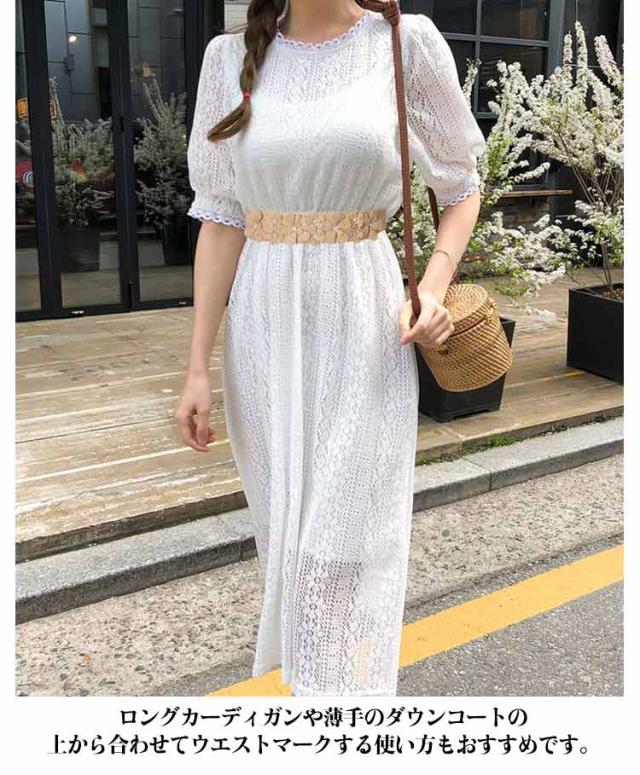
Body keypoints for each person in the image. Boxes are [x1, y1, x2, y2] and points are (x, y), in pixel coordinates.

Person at [174, 0, 486, 696]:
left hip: (363, 321)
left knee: (340, 541)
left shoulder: (404, 43)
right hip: (263, 326)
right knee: (287, 538)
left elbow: (460, 184)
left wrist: (432, 287)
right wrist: (197, 368)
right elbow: (221, 218)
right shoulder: (227, 59)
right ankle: (325, 695)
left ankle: (333, 700)